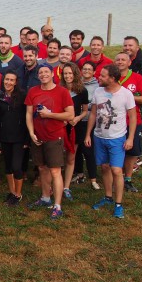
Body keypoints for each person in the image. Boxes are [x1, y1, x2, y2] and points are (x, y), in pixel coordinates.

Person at [86, 65, 137, 219]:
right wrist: (88, 134)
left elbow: (133, 117)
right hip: (99, 137)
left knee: (116, 170)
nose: (98, 78)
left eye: (102, 76)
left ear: (112, 78)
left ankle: (118, 204)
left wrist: (130, 138)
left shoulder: (126, 94)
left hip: (117, 138)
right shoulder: (98, 91)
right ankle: (108, 197)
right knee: (105, 167)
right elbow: (93, 113)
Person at [25, 64, 74, 219]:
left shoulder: (62, 92)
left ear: (52, 74)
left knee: (55, 171)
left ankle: (57, 205)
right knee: (42, 169)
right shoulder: (33, 91)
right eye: (40, 72)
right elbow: (28, 113)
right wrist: (31, 133)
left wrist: (50, 114)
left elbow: (70, 115)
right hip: (38, 137)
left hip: (55, 136)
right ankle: (46, 197)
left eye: (46, 72)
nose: (43, 74)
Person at [114, 52, 142, 193]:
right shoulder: (110, 77)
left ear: (129, 63)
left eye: (123, 60)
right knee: (116, 150)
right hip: (114, 122)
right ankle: (116, 178)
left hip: (132, 121)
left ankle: (127, 179)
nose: (120, 62)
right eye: (118, 60)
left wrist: (127, 96)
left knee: (132, 151)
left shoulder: (137, 78)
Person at [0, 71, 28, 206]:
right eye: (6, 79)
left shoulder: (22, 97)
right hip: (5, 137)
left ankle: (18, 194)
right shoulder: (0, 98)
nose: (8, 82)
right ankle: (12, 192)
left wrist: (27, 139)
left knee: (16, 166)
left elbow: (27, 118)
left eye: (11, 80)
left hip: (19, 138)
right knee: (8, 167)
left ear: (15, 82)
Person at [59, 62, 89, 201]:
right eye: (65, 73)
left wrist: (77, 118)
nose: (68, 76)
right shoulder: (59, 89)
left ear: (75, 74)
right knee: (59, 157)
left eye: (70, 73)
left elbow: (85, 111)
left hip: (75, 127)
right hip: (61, 127)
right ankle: (56, 183)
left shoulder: (82, 91)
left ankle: (66, 187)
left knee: (71, 157)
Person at [75, 61, 101, 190]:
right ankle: (79, 173)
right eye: (84, 69)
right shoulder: (76, 83)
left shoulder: (97, 86)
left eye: (89, 69)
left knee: (88, 150)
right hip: (76, 120)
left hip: (88, 121)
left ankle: (93, 178)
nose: (86, 71)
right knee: (77, 150)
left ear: (94, 72)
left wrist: (86, 105)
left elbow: (97, 103)